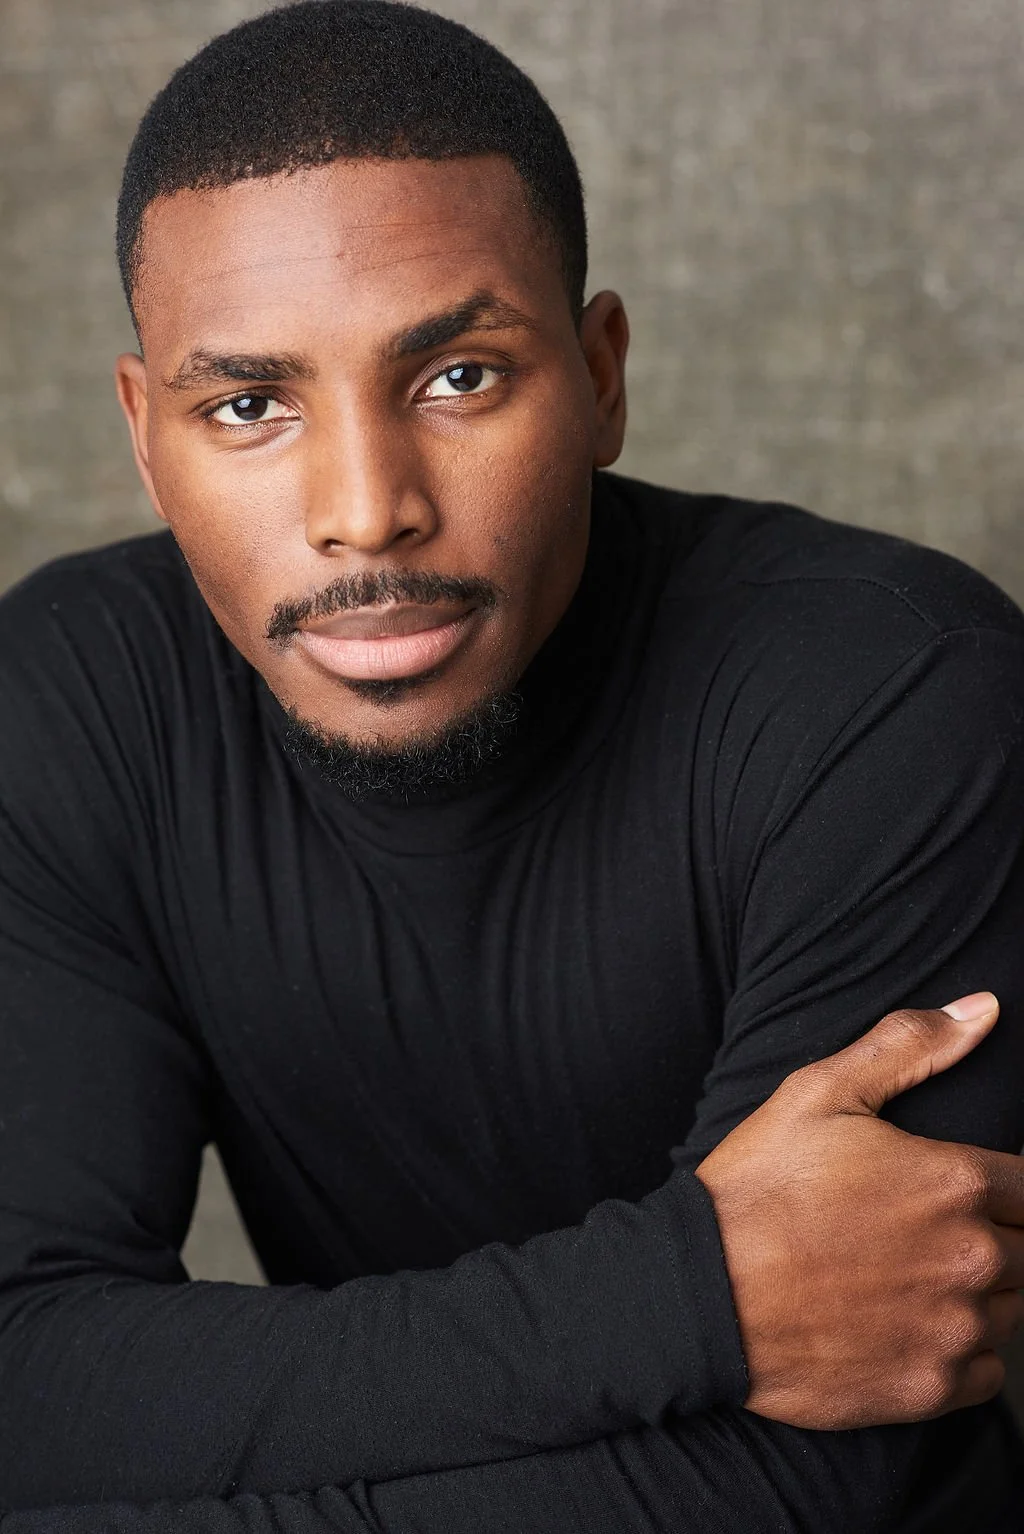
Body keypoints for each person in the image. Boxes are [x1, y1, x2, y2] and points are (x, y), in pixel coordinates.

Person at [0, 3, 1022, 1529]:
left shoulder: (888, 689)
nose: (367, 509)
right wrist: (690, 1297)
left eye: (459, 378)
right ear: (148, 441)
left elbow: (823, 1476)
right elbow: (28, 1376)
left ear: (602, 374)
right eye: (252, 406)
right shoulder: (72, 700)